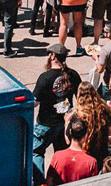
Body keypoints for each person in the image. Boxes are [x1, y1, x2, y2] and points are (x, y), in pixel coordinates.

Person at [34, 44, 82, 176]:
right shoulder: (73, 74)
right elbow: (81, 98)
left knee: (36, 152)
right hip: (65, 122)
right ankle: (60, 179)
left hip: (46, 124)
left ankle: (40, 183)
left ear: (52, 56)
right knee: (62, 154)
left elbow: (35, 102)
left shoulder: (45, 77)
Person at [46, 116, 99, 183]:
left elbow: (49, 180)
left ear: (70, 132)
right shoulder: (91, 162)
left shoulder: (57, 156)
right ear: (86, 136)